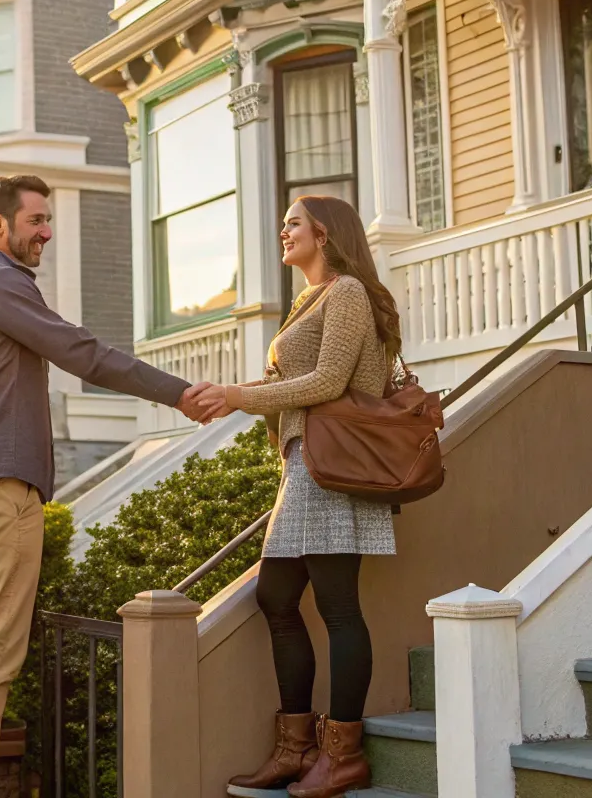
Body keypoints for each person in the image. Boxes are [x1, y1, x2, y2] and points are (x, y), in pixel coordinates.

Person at [0, 174, 221, 798]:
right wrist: (178, 393)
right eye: (36, 221)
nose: (46, 232)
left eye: (47, 220)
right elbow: (81, 353)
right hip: (1, 490)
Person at [196, 193, 400, 798]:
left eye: (294, 223)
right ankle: (295, 746)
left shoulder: (349, 293)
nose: (283, 231)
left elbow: (330, 382)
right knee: (277, 594)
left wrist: (237, 396)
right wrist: (229, 396)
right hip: (303, 464)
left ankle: (343, 754)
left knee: (338, 606)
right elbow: (292, 384)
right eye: (283, 222)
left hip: (333, 464)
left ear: (326, 233)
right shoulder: (309, 299)